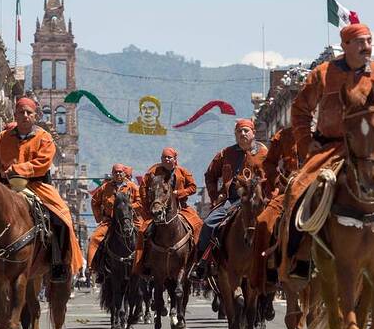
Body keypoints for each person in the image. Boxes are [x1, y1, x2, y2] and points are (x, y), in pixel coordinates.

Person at [278, 23, 374, 282]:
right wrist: (306, 142)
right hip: (331, 147)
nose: (367, 47)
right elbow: (300, 111)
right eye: (361, 42)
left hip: (373, 149)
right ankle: (299, 257)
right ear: (345, 46)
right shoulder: (322, 74)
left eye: (369, 41)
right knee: (297, 191)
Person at [0, 97, 84, 283]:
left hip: (37, 186)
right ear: (15, 114)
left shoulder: (44, 138)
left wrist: (18, 170)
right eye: (21, 112)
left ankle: (58, 263)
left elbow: (42, 163)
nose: (25, 116)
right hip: (5, 187)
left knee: (62, 217)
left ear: (35, 116)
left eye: (29, 112)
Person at [193, 119, 268, 279]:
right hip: (232, 200)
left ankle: (278, 268)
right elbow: (210, 175)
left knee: (277, 226)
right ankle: (202, 262)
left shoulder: (263, 153)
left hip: (257, 201)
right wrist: (215, 196)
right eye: (239, 131)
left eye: (246, 131)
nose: (243, 134)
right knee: (208, 224)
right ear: (235, 135)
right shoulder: (226, 153)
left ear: (253, 133)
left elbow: (273, 175)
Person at [251, 126, 310, 286]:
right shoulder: (282, 136)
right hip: (289, 190)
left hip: (321, 186)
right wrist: (279, 182)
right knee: (264, 221)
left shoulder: (327, 129)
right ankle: (269, 268)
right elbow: (269, 163)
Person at [133, 147, 203, 276]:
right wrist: (149, 206)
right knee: (143, 231)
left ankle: (196, 263)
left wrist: (178, 193)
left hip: (181, 208)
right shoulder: (153, 171)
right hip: (157, 209)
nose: (166, 159)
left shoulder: (183, 171)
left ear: (175, 159)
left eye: (169, 157)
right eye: (164, 157)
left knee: (198, 224)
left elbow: (193, 187)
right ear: (161, 159)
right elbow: (143, 189)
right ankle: (142, 264)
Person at [87, 163, 142, 283]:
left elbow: (140, 202)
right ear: (112, 174)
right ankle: (94, 268)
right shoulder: (105, 187)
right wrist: (100, 217)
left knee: (145, 236)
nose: (118, 174)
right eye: (115, 172)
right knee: (94, 238)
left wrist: (128, 208)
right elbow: (94, 201)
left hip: (129, 220)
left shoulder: (132, 187)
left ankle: (146, 266)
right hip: (110, 221)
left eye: (120, 172)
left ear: (124, 173)